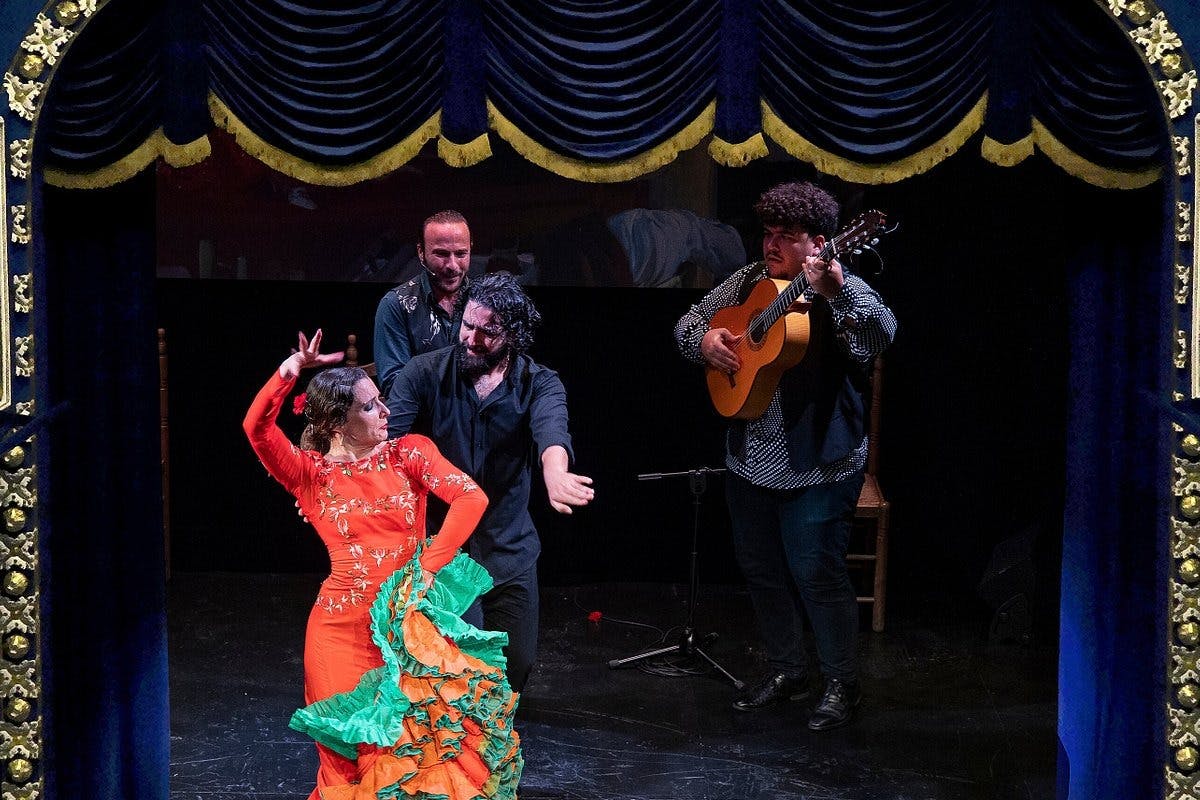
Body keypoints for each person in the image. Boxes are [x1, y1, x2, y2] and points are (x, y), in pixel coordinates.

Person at [243, 329, 522, 799]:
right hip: (338, 633)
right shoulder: (309, 473)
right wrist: (290, 370)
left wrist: (428, 568)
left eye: (381, 400)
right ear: (338, 423)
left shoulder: (408, 451)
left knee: (405, 759)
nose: (387, 411)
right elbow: (257, 429)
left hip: (404, 628)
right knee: (346, 760)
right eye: (371, 406)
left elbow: (470, 498)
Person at [673, 182, 897, 731]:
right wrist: (704, 343)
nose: (772, 246)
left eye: (786, 237)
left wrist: (839, 292)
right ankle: (788, 669)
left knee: (815, 573)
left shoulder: (838, 286)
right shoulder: (750, 279)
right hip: (751, 457)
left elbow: (882, 335)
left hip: (818, 462)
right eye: (768, 235)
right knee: (762, 570)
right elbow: (687, 323)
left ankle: (842, 683)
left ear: (818, 243)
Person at [387, 272, 595, 693]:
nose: (472, 339)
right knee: (461, 672)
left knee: (515, 667)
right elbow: (388, 443)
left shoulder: (539, 382)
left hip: (508, 547)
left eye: (488, 332)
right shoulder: (424, 372)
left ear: (514, 336)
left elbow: (551, 430)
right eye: (468, 324)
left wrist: (554, 471)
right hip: (445, 552)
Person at [373, 209, 473, 396]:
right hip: (422, 421)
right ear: (421, 252)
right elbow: (394, 385)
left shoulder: (483, 301)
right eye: (442, 254)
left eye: (461, 254)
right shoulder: (396, 304)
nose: (452, 265)